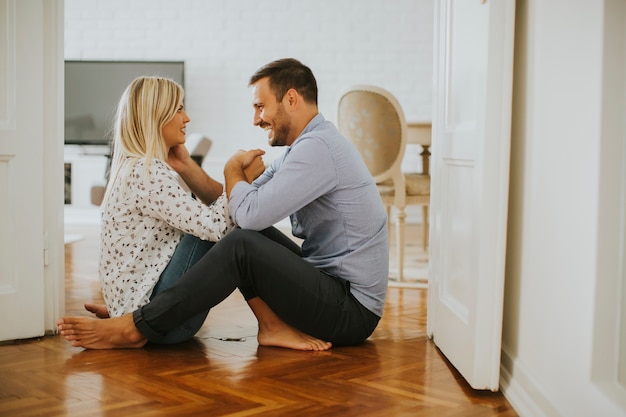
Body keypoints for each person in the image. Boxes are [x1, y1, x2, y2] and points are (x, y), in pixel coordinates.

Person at [57, 58, 389, 351]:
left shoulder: (316, 151)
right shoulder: (302, 150)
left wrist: (233, 171)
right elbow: (235, 206)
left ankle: (134, 326)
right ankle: (269, 327)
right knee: (246, 235)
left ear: (291, 99)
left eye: (260, 106)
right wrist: (188, 167)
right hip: (333, 288)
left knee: (243, 241)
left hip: (350, 309)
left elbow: (243, 212)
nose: (256, 119)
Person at [83, 75, 264, 345]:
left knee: (213, 225)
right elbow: (216, 228)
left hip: (142, 307)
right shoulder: (148, 174)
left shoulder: (132, 168)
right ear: (156, 116)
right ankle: (274, 324)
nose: (187, 118)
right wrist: (237, 178)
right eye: (179, 108)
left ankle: (124, 314)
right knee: (232, 236)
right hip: (163, 326)